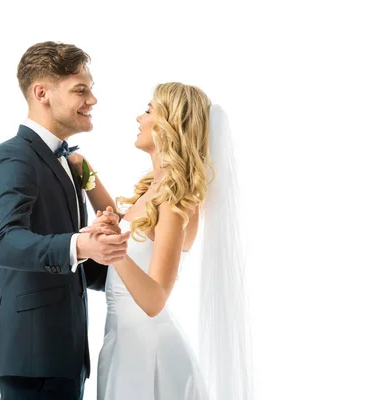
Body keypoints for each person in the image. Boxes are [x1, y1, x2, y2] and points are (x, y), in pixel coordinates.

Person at [70, 82, 251, 399]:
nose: (139, 118)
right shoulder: (155, 189)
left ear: (170, 125)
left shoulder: (174, 202)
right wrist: (88, 177)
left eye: (149, 110)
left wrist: (112, 248)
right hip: (124, 343)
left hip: (148, 353)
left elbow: (154, 300)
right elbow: (125, 229)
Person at [0, 41, 130, 400]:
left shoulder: (68, 161)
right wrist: (81, 243)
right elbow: (6, 241)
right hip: (32, 357)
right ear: (42, 92)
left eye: (91, 89)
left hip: (62, 355)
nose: (92, 100)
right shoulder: (13, 156)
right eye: (81, 90)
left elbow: (77, 264)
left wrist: (134, 271)